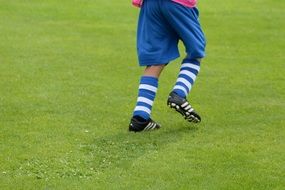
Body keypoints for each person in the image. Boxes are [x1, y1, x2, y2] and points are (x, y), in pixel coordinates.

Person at [129, 0, 206, 132]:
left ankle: (140, 118)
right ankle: (179, 94)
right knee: (196, 51)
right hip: (177, 3)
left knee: (156, 60)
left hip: (150, 4)